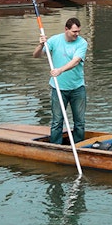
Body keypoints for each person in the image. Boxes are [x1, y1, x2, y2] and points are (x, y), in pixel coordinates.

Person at [33, 17, 88, 145]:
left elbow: (76, 61)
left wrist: (60, 70)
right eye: (74, 31)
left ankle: (78, 145)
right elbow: (36, 55)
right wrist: (41, 44)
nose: (77, 34)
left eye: (79, 31)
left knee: (79, 121)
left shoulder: (82, 43)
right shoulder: (54, 40)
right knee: (57, 120)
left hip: (77, 88)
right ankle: (55, 146)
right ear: (66, 29)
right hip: (58, 88)